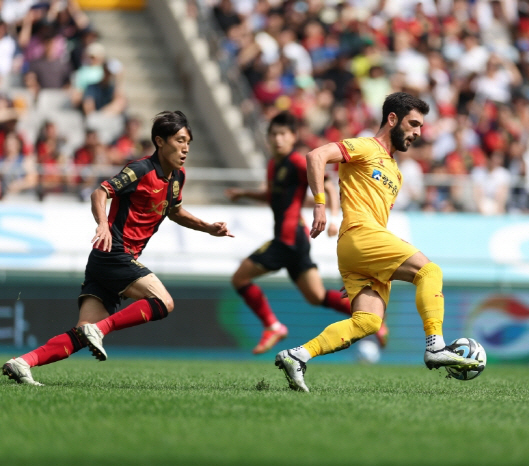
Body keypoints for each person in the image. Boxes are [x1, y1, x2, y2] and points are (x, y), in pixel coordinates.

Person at [2, 111, 234, 385]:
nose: (185, 148)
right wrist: (102, 224)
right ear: (160, 142)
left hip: (107, 262)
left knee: (82, 332)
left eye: (189, 142)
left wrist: (208, 227)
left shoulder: (177, 178)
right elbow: (100, 192)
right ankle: (101, 330)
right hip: (114, 253)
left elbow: (175, 211)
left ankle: (22, 363)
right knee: (164, 302)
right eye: (180, 140)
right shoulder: (140, 170)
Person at [274, 93, 478, 392]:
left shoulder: (395, 172)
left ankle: (297, 356)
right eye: (413, 124)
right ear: (392, 119)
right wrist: (319, 203)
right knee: (429, 272)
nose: (418, 132)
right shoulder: (366, 146)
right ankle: (436, 346)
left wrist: (364, 262)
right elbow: (316, 156)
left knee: (368, 322)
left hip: (362, 248)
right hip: (359, 233)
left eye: (421, 126)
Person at [226, 112, 388, 354]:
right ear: (268, 137)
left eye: (283, 134)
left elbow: (330, 185)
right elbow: (272, 196)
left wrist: (333, 218)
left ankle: (273, 326)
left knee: (239, 278)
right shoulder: (273, 164)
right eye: (274, 134)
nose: (278, 139)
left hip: (288, 239)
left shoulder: (298, 162)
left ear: (293, 137)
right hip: (296, 241)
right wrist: (244, 194)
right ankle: (372, 319)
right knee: (317, 296)